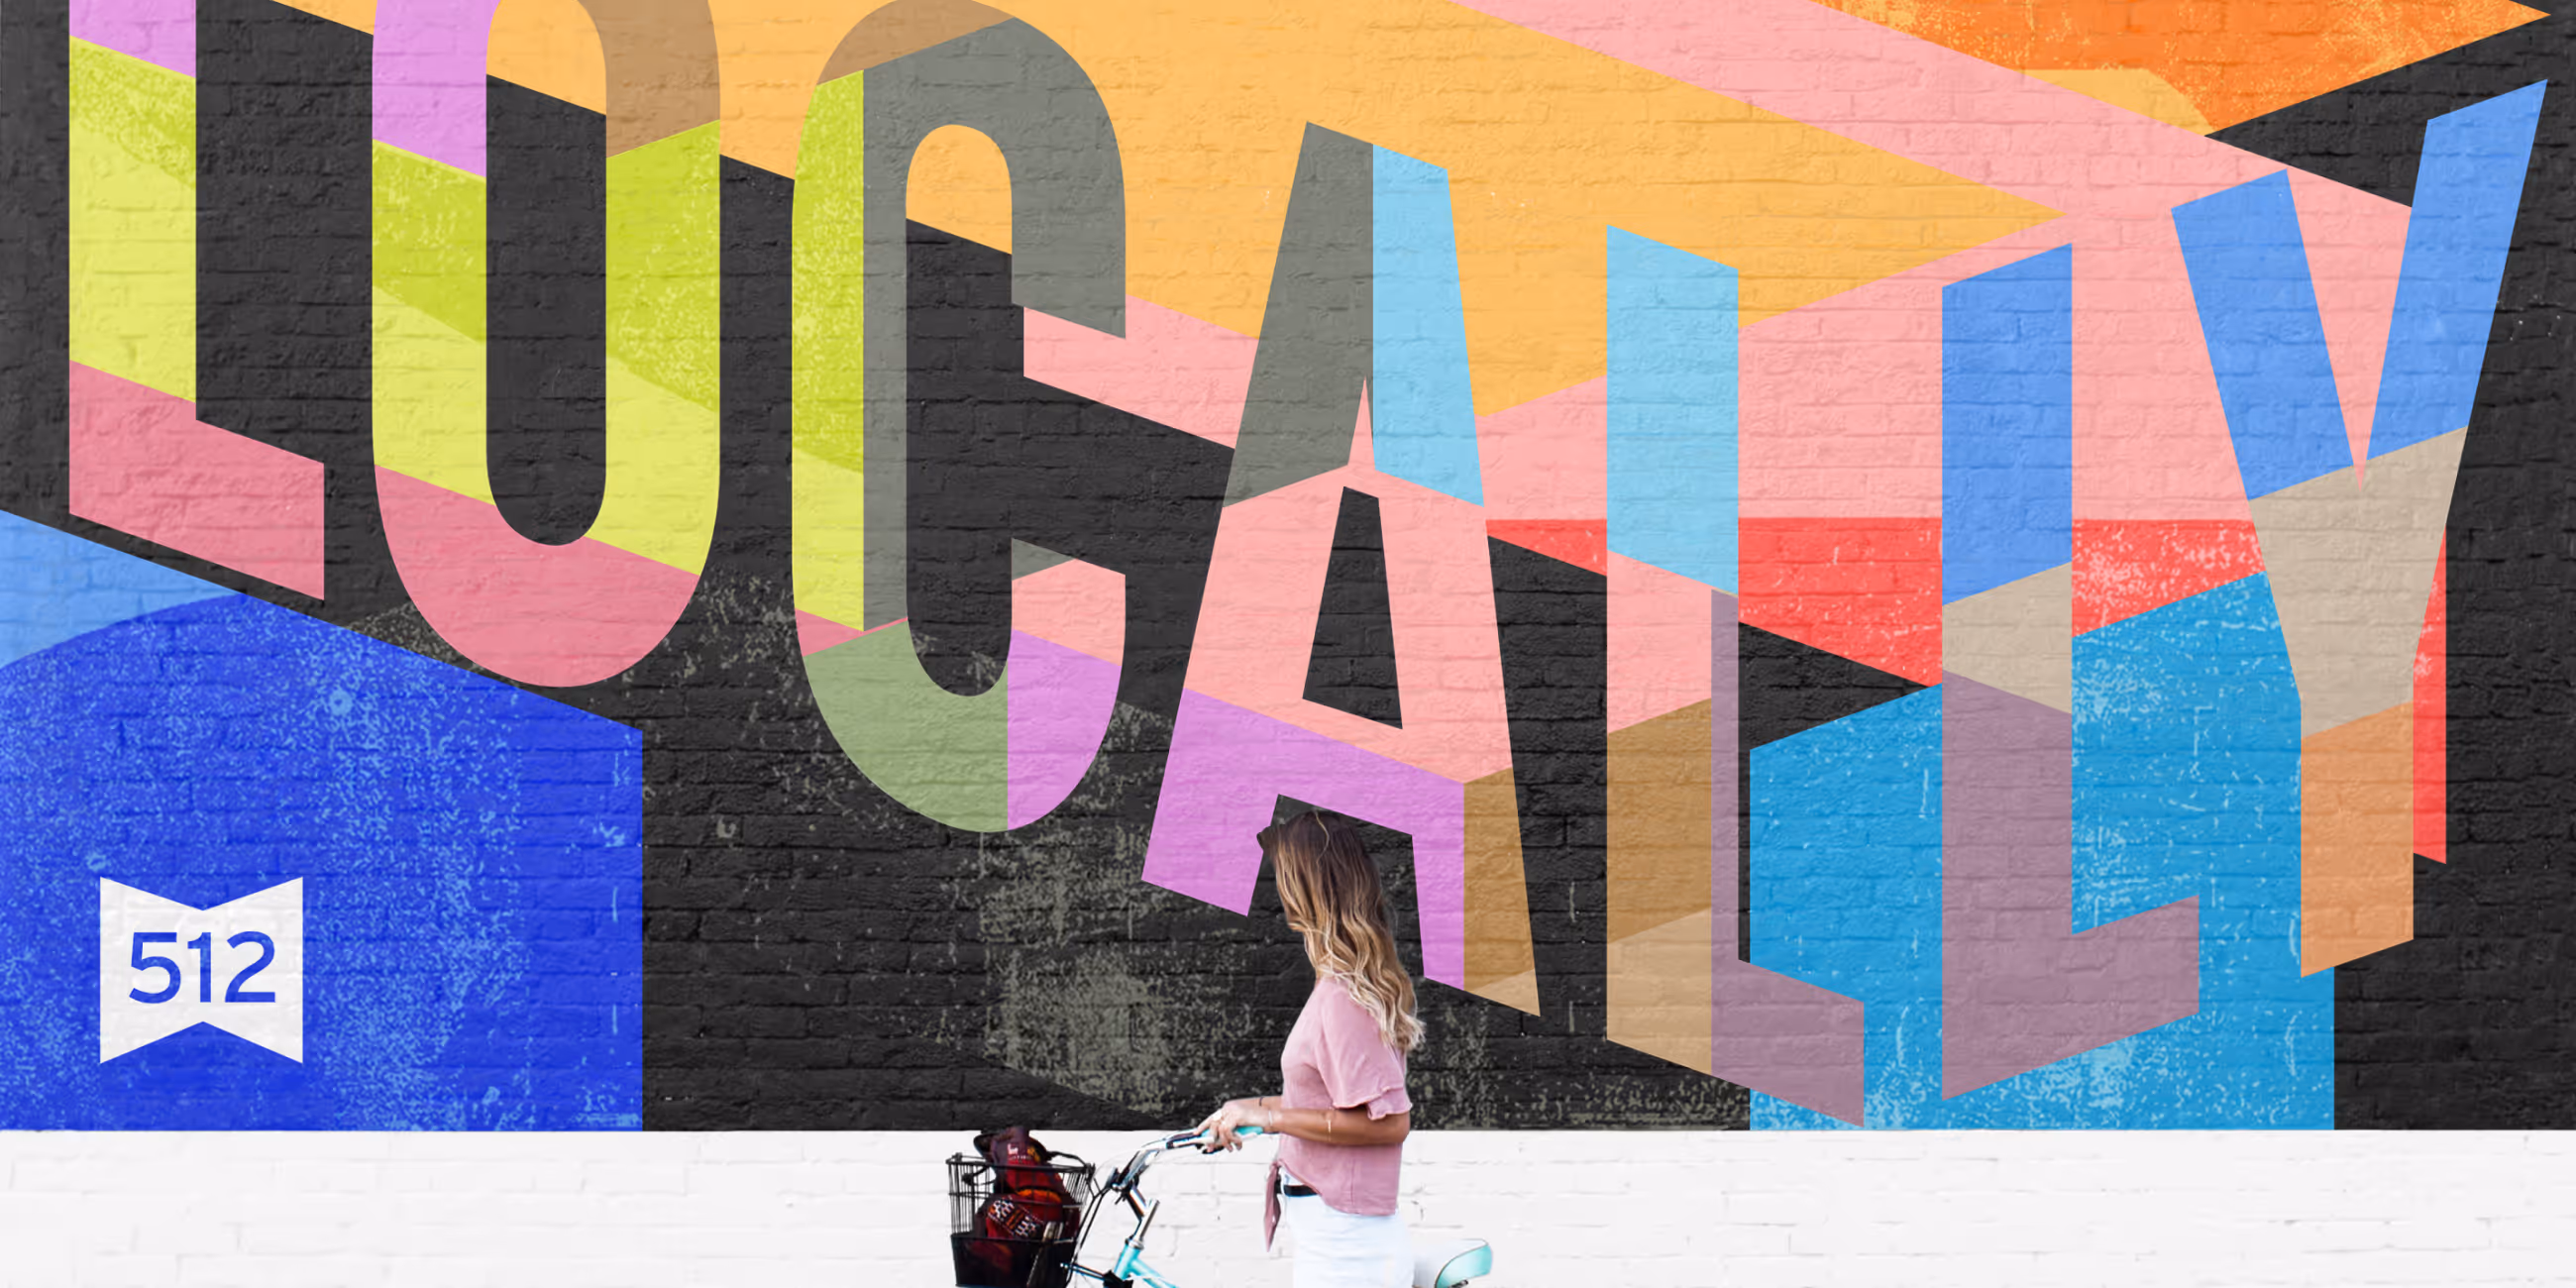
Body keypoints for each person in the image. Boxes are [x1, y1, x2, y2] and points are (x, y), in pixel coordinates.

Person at [1197, 810, 1422, 1288]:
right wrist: (1247, 1108)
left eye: (1285, 877)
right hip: (1337, 1238)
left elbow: (1389, 1122)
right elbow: (1331, 1104)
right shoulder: (1338, 988)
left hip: (1349, 1250)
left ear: (1308, 888)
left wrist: (1269, 1118)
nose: (1280, 892)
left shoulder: (1343, 997)